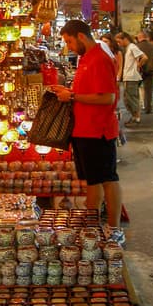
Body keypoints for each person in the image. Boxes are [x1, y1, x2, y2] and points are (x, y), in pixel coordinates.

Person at [52, 20, 125, 246]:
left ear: (81, 36)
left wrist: (72, 97)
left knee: (107, 179)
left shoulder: (100, 60)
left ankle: (114, 229)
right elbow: (89, 91)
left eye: (69, 41)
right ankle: (92, 224)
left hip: (98, 130)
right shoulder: (86, 59)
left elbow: (107, 98)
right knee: (92, 181)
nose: (69, 46)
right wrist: (69, 92)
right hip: (83, 130)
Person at [115, 31, 147, 126]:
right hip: (128, 77)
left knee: (132, 98)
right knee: (127, 98)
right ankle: (134, 116)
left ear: (125, 39)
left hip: (132, 77)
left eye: (119, 41)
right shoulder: (129, 48)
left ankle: (136, 118)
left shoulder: (132, 47)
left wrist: (138, 65)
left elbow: (144, 57)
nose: (118, 44)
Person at [135, 31, 153, 114]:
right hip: (151, 69)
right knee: (148, 90)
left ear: (140, 37)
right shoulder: (152, 46)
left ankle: (136, 107)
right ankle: (148, 108)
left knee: (135, 89)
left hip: (139, 70)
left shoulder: (136, 46)